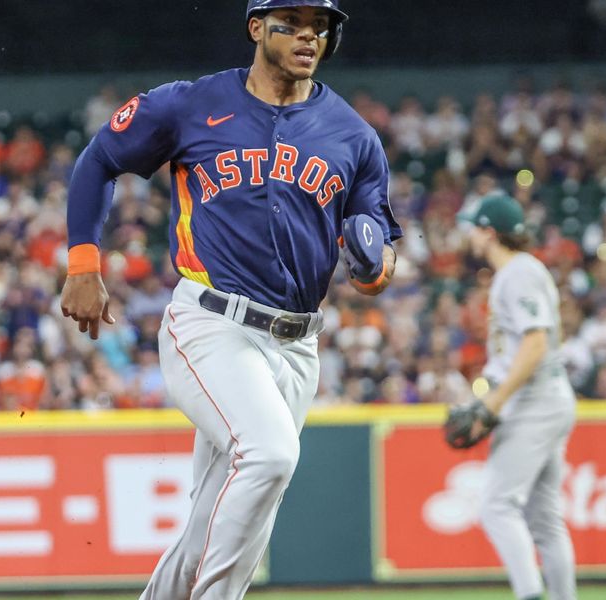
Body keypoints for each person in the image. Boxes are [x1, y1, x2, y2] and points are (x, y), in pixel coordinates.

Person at [60, 1, 401, 598]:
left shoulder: (354, 135)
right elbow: (100, 160)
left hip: (298, 345)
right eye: (291, 23)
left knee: (210, 522)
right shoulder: (191, 104)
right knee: (269, 456)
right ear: (256, 28)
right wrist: (84, 261)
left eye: (319, 27)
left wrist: (375, 268)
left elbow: (379, 252)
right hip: (213, 322)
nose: (307, 36)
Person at [446, 194, 576, 600]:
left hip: (533, 399)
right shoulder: (521, 271)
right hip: (547, 395)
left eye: (473, 227)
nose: (469, 235)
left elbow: (535, 343)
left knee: (496, 506)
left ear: (488, 232)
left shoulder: (516, 272)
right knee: (545, 519)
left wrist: (495, 401)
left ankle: (529, 594)